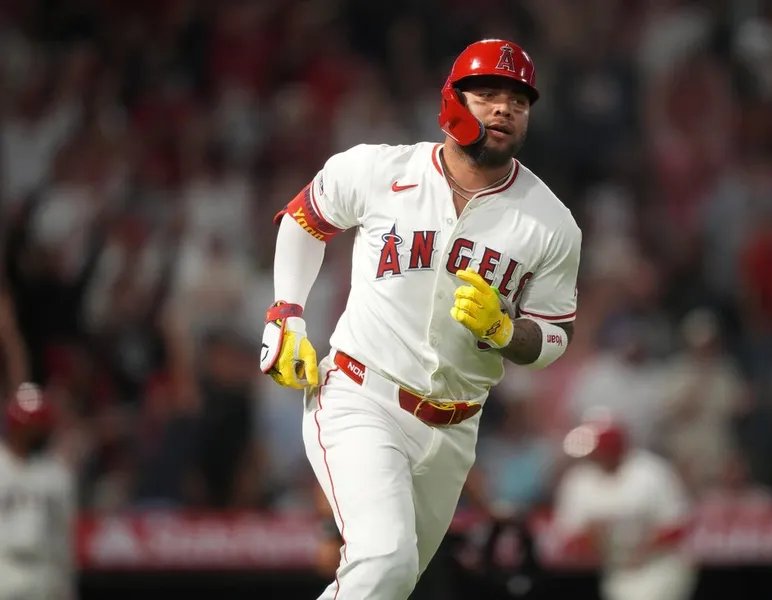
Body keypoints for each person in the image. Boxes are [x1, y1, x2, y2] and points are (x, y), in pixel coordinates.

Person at [259, 39, 582, 599]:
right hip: (362, 394)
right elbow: (304, 219)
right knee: (384, 561)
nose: (504, 108)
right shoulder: (380, 169)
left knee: (389, 583)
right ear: (453, 100)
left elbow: (556, 334)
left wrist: (507, 332)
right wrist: (286, 313)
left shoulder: (551, 223)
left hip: (455, 429)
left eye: (518, 101)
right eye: (487, 94)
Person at [553, 416, 696, 600]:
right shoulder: (578, 480)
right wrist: (594, 539)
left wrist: (642, 548)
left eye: (600, 451)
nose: (595, 457)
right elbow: (569, 538)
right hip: (615, 571)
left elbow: (679, 525)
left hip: (659, 567)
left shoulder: (651, 472)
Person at [0, 383, 76, 600]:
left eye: (41, 425)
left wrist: (66, 586)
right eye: (32, 425)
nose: (39, 431)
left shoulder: (57, 474)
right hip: (4, 567)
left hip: (44, 571)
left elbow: (63, 536)